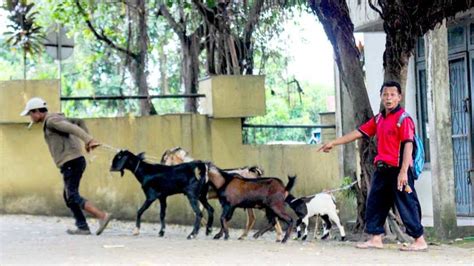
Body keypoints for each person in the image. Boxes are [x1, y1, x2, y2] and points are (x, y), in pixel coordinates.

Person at [318, 81, 428, 252]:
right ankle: (375, 238)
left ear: (399, 97)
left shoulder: (403, 119)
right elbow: (359, 132)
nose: (388, 98)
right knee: (375, 202)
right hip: (382, 169)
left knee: (406, 203)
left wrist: (404, 172)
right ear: (381, 97)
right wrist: (334, 142)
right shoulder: (379, 118)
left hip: (399, 169)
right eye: (385, 95)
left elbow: (408, 145)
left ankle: (419, 240)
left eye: (392, 95)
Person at [21, 97, 112, 235]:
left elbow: (72, 127)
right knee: (68, 196)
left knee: (72, 195)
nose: (30, 117)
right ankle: (82, 227)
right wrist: (87, 141)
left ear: (37, 112)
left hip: (71, 162)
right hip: (73, 161)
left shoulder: (52, 120)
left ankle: (102, 216)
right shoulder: (55, 118)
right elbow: (79, 122)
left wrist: (89, 140)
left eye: (30, 114)